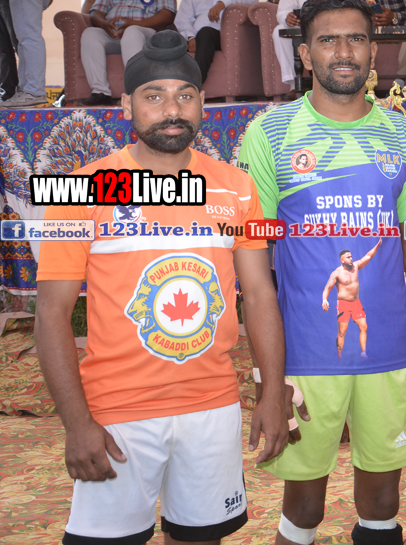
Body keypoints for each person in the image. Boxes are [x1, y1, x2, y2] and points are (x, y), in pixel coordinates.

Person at [35, 29, 290, 544]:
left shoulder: (235, 187)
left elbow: (261, 295)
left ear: (202, 103)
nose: (172, 110)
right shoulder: (81, 189)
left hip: (212, 406)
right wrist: (76, 423)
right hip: (117, 412)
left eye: (185, 96)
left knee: (201, 538)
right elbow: (51, 314)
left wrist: (271, 391)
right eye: (154, 97)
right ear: (126, 104)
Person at [240, 0, 406, 545]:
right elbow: (253, 265)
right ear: (305, 54)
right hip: (305, 355)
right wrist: (267, 378)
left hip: (387, 353)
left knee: (382, 501)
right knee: (304, 505)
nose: (343, 51)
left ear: (373, 51)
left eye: (356, 38)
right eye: (327, 40)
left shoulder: (401, 133)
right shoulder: (271, 133)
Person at [82, 0, 177, 106]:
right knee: (90, 34)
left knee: (132, 31)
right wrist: (105, 24)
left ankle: (137, 92)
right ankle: (100, 92)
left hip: (145, 34)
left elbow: (167, 16)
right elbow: (96, 11)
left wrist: (135, 23)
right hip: (113, 34)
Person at [273, 0, 350, 88]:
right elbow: (282, 12)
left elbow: (344, 12)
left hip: (331, 28)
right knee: (278, 31)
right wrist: (287, 17)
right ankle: (294, 84)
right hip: (302, 29)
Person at [321, 239, 382, 358]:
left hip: (356, 303)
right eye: (348, 257)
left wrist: (378, 245)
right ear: (342, 260)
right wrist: (324, 299)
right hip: (343, 304)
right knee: (342, 332)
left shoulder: (356, 266)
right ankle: (339, 357)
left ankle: (363, 354)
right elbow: (327, 288)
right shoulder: (337, 273)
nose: (351, 258)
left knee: (364, 327)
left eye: (351, 256)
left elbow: (368, 256)